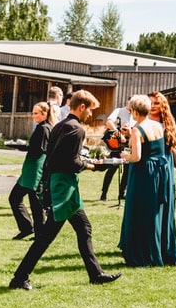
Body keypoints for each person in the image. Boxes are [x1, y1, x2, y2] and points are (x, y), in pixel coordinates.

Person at [9, 90, 120, 290]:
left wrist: (87, 163)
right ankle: (19, 278)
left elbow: (58, 157)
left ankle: (96, 274)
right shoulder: (77, 129)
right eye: (91, 110)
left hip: (61, 184)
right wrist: (93, 165)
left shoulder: (60, 125)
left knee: (84, 228)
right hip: (64, 188)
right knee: (45, 237)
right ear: (82, 107)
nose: (91, 115)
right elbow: (71, 161)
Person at [118, 94, 176, 267]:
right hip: (161, 171)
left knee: (141, 211)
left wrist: (125, 155)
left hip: (144, 173)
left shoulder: (138, 129)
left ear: (136, 112)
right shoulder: (158, 125)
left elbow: (137, 156)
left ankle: (144, 253)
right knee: (157, 211)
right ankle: (163, 251)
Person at [8, 102, 52, 239]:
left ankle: (39, 232)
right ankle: (29, 228)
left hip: (35, 170)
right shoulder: (44, 127)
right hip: (31, 170)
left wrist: (21, 146)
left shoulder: (44, 128)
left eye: (36, 113)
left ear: (44, 114)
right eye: (33, 113)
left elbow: (39, 150)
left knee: (35, 203)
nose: (33, 115)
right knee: (17, 198)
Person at [99, 102, 135, 203]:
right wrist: (119, 134)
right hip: (117, 143)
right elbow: (109, 122)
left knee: (127, 169)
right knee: (113, 167)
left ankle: (122, 193)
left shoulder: (135, 114)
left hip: (129, 143)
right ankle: (104, 193)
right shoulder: (119, 111)